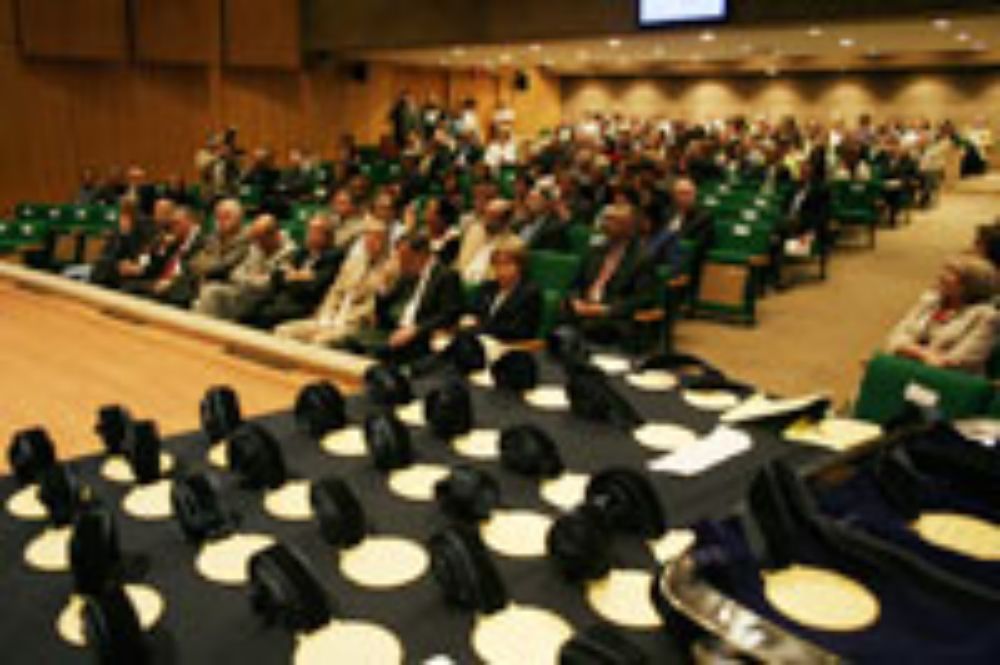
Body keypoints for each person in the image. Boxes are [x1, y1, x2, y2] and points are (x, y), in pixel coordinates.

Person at [275, 217, 397, 347]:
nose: (371, 241)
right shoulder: (354, 262)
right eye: (367, 237)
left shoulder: (390, 269)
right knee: (284, 331)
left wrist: (345, 320)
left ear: (386, 242)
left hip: (353, 323)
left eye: (376, 238)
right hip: (331, 316)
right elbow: (335, 290)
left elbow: (371, 306)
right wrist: (326, 313)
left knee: (320, 341)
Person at [885, 255, 999, 375]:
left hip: (949, 382)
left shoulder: (986, 317)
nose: (941, 276)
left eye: (952, 272)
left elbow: (956, 361)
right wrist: (921, 353)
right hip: (909, 369)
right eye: (944, 269)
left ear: (970, 284)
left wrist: (907, 350)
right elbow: (895, 337)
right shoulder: (930, 300)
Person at [361, 233, 463, 362]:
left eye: (405, 258)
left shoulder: (446, 276)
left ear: (421, 255)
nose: (401, 263)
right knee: (346, 341)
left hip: (421, 338)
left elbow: (449, 314)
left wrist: (416, 329)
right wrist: (382, 292)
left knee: (372, 353)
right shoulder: (406, 274)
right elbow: (383, 312)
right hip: (394, 330)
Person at [564, 203, 656, 345]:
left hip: (613, 318)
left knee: (585, 331)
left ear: (629, 227)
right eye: (606, 219)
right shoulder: (595, 250)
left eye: (613, 220)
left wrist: (606, 309)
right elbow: (574, 283)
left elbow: (643, 298)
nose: (605, 225)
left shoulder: (642, 258)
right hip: (583, 310)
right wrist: (575, 301)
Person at [245, 213, 342, 328]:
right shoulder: (303, 251)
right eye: (309, 230)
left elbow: (313, 288)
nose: (309, 235)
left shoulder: (333, 256)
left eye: (315, 232)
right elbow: (278, 275)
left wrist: (292, 276)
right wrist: (299, 276)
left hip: (304, 305)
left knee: (267, 315)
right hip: (282, 296)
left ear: (327, 236)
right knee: (248, 309)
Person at [193, 214, 297, 321]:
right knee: (211, 291)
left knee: (214, 297)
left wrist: (251, 279)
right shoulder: (256, 247)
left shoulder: (290, 253)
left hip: (263, 299)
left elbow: (268, 284)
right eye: (256, 239)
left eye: (260, 239)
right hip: (242, 292)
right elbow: (235, 273)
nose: (257, 244)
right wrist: (252, 279)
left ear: (273, 236)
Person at [462, 238, 542, 341]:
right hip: (478, 340)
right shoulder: (488, 287)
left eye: (507, 264)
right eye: (497, 264)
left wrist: (479, 328)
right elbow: (472, 312)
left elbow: (517, 331)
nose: (501, 270)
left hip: (508, 347)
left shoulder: (529, 293)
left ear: (520, 266)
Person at [645, 178, 712, 275]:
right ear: (674, 196)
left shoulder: (703, 217)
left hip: (682, 258)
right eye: (681, 193)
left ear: (694, 195)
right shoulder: (667, 213)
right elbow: (654, 235)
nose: (685, 197)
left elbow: (700, 245)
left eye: (688, 193)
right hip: (660, 253)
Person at [455, 198, 518, 285]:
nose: (486, 221)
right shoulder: (474, 231)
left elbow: (500, 276)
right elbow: (460, 261)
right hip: (459, 281)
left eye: (493, 217)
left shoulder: (514, 244)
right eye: (486, 215)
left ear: (505, 222)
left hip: (485, 286)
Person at [517, 186, 570, 253]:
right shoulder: (521, 222)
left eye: (534, 199)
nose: (528, 202)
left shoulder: (553, 227)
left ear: (547, 203)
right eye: (529, 198)